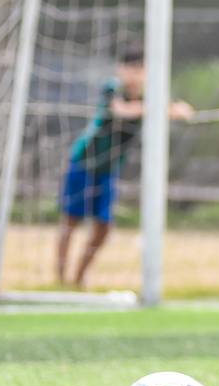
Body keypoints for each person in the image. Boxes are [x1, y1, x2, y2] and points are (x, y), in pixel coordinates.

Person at [57, 42, 195, 288]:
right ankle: (59, 276)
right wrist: (164, 110)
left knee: (104, 226)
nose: (134, 74)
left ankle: (79, 276)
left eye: (140, 69)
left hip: (109, 169)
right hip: (84, 162)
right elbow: (123, 111)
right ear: (121, 69)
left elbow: (176, 109)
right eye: (130, 68)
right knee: (71, 220)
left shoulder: (151, 94)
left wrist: (177, 109)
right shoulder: (113, 88)